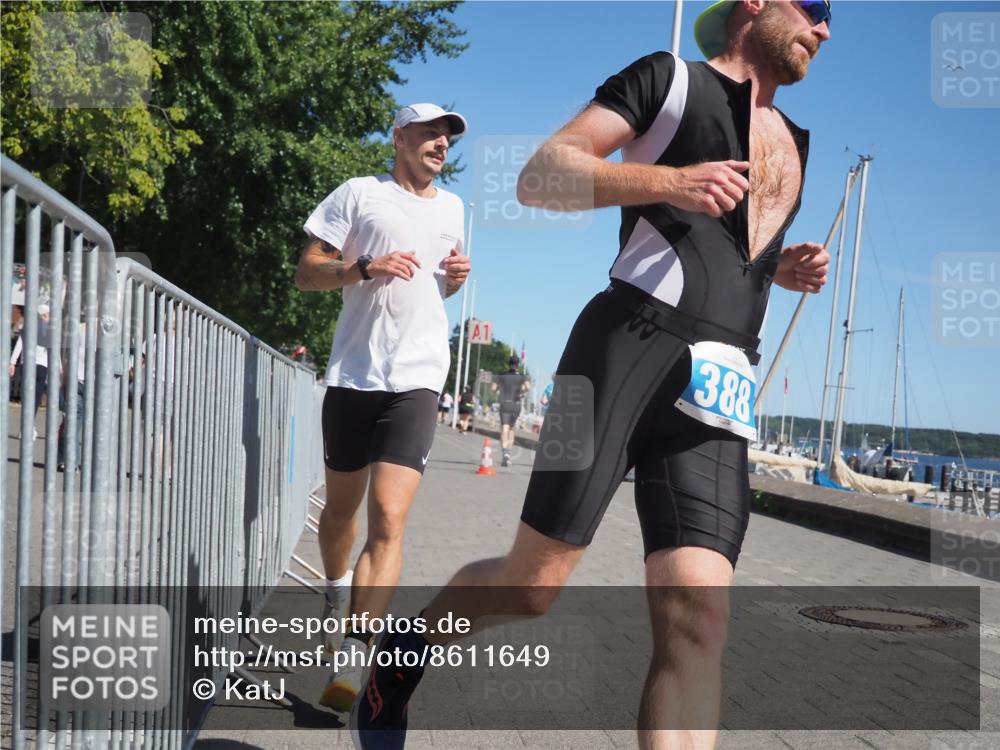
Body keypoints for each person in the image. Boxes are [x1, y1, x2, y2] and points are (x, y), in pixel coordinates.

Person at [350, 2, 832, 749]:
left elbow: (725, 247)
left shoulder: (796, 141)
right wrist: (668, 183)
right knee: (532, 586)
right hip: (614, 354)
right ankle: (409, 648)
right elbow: (542, 176)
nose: (826, 28)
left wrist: (779, 265)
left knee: (699, 616)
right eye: (817, 6)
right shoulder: (670, 79)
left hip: (719, 384)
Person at [294, 102, 471, 712]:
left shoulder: (453, 209)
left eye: (448, 135)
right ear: (399, 137)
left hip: (419, 376)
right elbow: (307, 274)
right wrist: (365, 267)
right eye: (430, 132)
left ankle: (353, 650)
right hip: (353, 375)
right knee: (340, 511)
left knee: (389, 519)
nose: (441, 143)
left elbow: (437, 287)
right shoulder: (357, 194)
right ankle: (335, 589)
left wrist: (456, 278)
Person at [491, 355, 530, 466]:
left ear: (509, 363)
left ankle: (505, 453)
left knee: (504, 427)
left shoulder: (502, 375)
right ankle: (508, 454)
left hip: (505, 404)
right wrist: (521, 391)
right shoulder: (522, 376)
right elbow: (528, 387)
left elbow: (493, 389)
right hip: (516, 405)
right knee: (512, 429)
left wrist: (499, 389)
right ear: (518, 364)